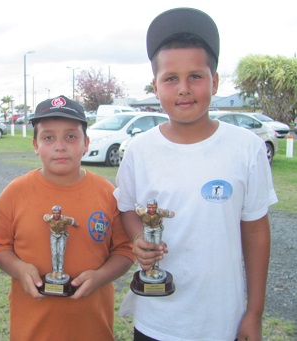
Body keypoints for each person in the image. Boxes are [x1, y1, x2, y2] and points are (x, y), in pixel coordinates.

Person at [114, 8, 277, 341]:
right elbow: (127, 209)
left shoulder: (246, 147)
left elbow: (256, 232)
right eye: (171, 78)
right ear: (155, 87)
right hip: (155, 321)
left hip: (221, 321)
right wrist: (137, 239)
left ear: (214, 81)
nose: (183, 89)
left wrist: (255, 312)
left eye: (196, 77)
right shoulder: (139, 150)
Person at [0, 95, 135, 340]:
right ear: (35, 145)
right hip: (32, 328)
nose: (60, 146)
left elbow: (124, 250)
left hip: (92, 327)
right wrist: (19, 268)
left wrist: (101, 276)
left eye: (71, 136)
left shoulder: (107, 193)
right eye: (48, 137)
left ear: (86, 142)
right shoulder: (15, 192)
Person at [134, 199, 174, 279]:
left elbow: (168, 213)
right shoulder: (143, 211)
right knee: (148, 248)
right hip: (147, 230)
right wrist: (137, 206)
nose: (151, 209)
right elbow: (136, 209)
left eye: (153, 207)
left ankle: (155, 268)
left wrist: (171, 214)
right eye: (150, 207)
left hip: (157, 230)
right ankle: (149, 269)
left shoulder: (160, 212)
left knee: (157, 248)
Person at [43, 205, 79, 280]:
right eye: (54, 213)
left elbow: (72, 222)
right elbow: (44, 217)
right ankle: (54, 271)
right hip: (53, 236)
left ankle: (60, 271)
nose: (56, 215)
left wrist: (77, 225)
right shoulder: (49, 218)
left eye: (57, 213)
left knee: (61, 253)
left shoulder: (65, 219)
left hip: (62, 235)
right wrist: (47, 217)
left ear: (60, 213)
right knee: (54, 253)